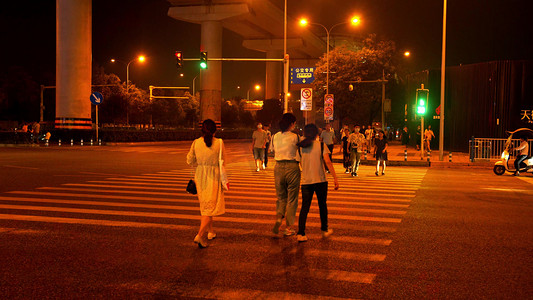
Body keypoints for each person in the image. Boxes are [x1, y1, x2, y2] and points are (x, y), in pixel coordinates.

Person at [186, 119, 226, 248]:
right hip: (214, 176)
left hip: (200, 176)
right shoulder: (219, 143)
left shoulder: (196, 142)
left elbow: (189, 160)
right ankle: (200, 235)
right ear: (215, 130)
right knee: (210, 208)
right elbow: (223, 161)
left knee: (206, 206)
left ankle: (210, 232)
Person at [296, 124, 339, 242]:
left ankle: (301, 233)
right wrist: (335, 178)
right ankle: (324, 230)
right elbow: (328, 162)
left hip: (306, 181)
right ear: (316, 133)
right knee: (322, 206)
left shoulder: (300, 147)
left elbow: (299, 163)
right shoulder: (321, 145)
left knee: (305, 207)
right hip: (320, 181)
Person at [270, 113, 301, 236]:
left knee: (281, 197)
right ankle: (288, 227)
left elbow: (272, 150)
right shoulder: (296, 137)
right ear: (292, 124)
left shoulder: (274, 136)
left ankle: (279, 218)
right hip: (292, 167)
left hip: (278, 167)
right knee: (292, 198)